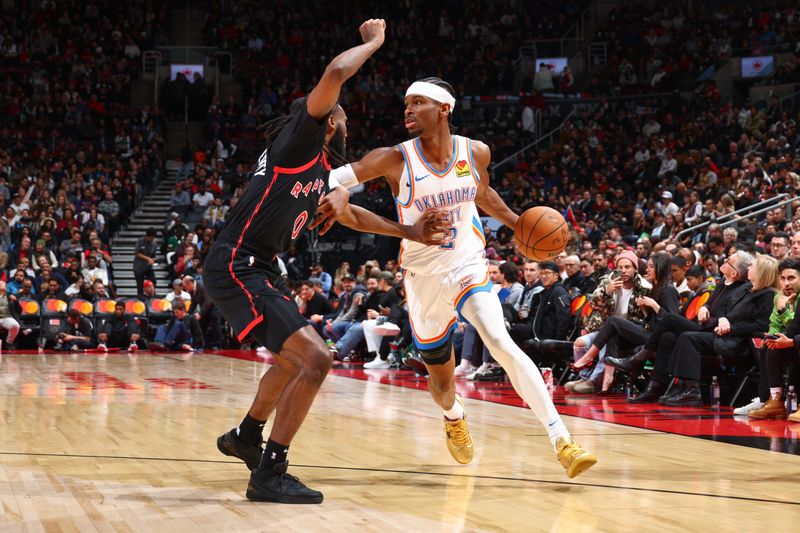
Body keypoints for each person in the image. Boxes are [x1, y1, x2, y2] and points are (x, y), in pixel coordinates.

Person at [203, 20, 449, 504]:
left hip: (256, 267)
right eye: (343, 116)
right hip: (238, 263)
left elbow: (352, 212)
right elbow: (336, 70)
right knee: (317, 358)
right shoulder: (299, 141)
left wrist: (408, 231)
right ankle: (270, 472)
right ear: (328, 121)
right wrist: (374, 42)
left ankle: (248, 437)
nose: (347, 122)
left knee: (295, 359)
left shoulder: (319, 171)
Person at [318, 76, 596, 477]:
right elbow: (332, 180)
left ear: (444, 109)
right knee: (442, 384)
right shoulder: (394, 158)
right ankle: (453, 416)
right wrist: (342, 190)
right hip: (423, 276)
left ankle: (562, 441)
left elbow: (481, 194)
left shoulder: (475, 151)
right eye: (406, 103)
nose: (408, 110)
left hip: (467, 264)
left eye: (418, 103)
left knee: (499, 339)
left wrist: (519, 224)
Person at [133, 228, 158, 294]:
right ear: (147, 236)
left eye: (153, 238)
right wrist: (147, 258)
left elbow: (153, 256)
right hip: (139, 267)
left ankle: (152, 297)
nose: (152, 240)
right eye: (151, 238)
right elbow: (136, 253)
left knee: (153, 282)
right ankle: (140, 300)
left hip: (148, 267)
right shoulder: (140, 241)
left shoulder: (154, 244)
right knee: (140, 286)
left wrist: (153, 260)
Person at [0, 280, 21, 349]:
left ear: (6, 287)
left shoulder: (10, 296)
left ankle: (9, 342)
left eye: (2, 283)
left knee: (15, 326)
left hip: (7, 317)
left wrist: (15, 301)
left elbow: (20, 310)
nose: (1, 284)